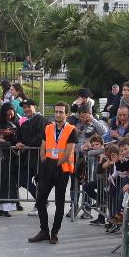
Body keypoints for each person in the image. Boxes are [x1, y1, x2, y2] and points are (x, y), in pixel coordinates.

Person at [29, 102, 76, 245]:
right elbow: (43, 148)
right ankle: (44, 231)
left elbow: (68, 153)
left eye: (61, 112)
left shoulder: (71, 130)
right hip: (47, 167)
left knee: (59, 203)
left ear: (66, 114)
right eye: (56, 112)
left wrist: (56, 164)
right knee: (40, 200)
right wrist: (45, 162)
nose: (58, 114)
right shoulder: (48, 128)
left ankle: (54, 232)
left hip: (62, 169)